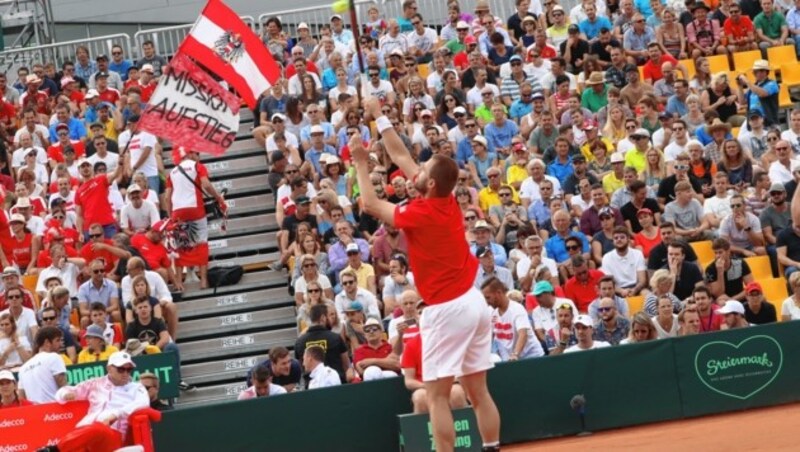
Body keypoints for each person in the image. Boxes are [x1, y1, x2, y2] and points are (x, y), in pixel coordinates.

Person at [351, 99, 500, 451]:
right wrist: (379, 117)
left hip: (446, 310)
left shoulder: (420, 212)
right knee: (479, 392)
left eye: (422, 170)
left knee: (436, 396)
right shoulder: (445, 199)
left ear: (429, 183)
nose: (413, 170)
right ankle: (493, 447)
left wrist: (359, 163)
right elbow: (402, 156)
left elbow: (370, 205)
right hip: (473, 303)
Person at [43, 351, 148, 452]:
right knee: (90, 430)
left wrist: (116, 414)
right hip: (86, 431)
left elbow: (143, 403)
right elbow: (63, 391)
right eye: (121, 369)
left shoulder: (136, 388)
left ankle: (55, 449)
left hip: (112, 433)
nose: (125, 373)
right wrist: (65, 395)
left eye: (129, 370)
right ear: (109, 369)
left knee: (99, 428)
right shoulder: (95, 383)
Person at [482, 277, 544, 361]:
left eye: (488, 297)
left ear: (498, 293)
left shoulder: (517, 309)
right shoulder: (490, 311)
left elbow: (523, 334)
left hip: (532, 357)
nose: (486, 302)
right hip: (510, 359)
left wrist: (515, 354)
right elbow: (489, 336)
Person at [295, 304, 350, 383]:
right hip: (337, 387)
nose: (331, 319)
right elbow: (346, 365)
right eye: (328, 316)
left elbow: (302, 367)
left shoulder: (299, 342)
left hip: (312, 390)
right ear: (323, 318)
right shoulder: (336, 338)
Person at [17, 326, 67, 403]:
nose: (60, 344)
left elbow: (21, 399)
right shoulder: (54, 357)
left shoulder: (23, 368)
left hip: (34, 413)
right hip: (55, 411)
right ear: (47, 342)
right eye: (57, 340)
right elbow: (63, 387)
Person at [705, 237, 754, 301]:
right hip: (722, 301)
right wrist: (720, 271)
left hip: (739, 298)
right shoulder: (710, 269)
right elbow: (718, 294)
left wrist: (732, 299)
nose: (717, 256)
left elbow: (751, 287)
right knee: (721, 301)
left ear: (728, 252)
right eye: (716, 253)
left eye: (720, 252)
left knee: (760, 298)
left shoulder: (740, 263)